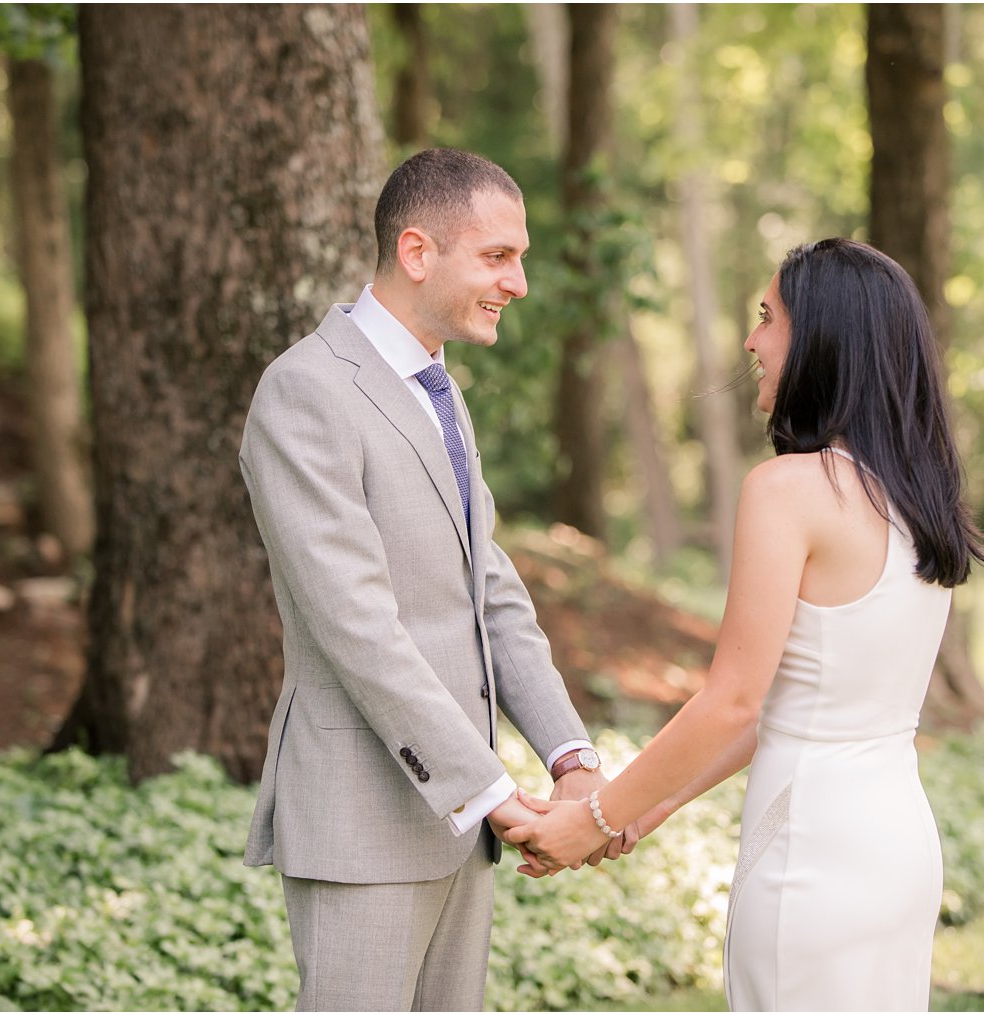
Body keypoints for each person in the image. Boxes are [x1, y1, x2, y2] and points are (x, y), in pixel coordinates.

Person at [509, 238, 984, 1011]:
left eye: (769, 317)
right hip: (897, 844)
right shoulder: (915, 499)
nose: (750, 340)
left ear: (825, 339)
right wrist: (650, 805)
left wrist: (593, 818)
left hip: (812, 852)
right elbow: (785, 707)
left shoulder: (788, 491)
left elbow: (733, 700)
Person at [239, 147, 632, 1012]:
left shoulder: (437, 389)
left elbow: (489, 591)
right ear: (419, 253)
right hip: (364, 822)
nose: (519, 282)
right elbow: (358, 626)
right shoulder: (305, 390)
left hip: (457, 835)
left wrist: (572, 758)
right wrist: (492, 791)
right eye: (499, 257)